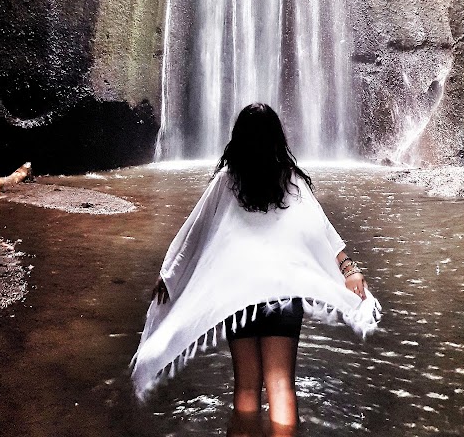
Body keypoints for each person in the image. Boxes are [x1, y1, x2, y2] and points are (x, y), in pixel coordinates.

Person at [130, 103, 381, 432]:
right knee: (281, 387)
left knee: (246, 388)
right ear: (278, 139)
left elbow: (194, 233)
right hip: (282, 294)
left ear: (239, 140)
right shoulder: (290, 181)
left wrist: (169, 277)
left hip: (240, 296)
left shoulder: (227, 181)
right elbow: (323, 232)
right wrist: (349, 271)